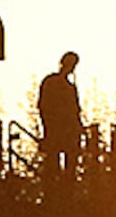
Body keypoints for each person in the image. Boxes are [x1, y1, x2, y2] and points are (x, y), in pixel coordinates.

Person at [34, 48, 84, 177]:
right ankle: (57, 188)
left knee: (65, 166)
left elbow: (74, 111)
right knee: (54, 164)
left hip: (66, 132)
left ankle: (62, 188)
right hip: (58, 131)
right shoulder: (54, 83)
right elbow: (44, 107)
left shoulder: (66, 86)